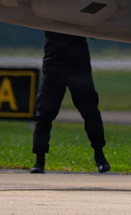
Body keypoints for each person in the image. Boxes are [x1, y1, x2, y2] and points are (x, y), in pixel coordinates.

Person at [31, 31, 110, 174]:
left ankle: (100, 155)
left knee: (91, 112)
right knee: (43, 114)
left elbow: (93, 31)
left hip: (78, 67)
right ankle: (39, 160)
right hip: (53, 65)